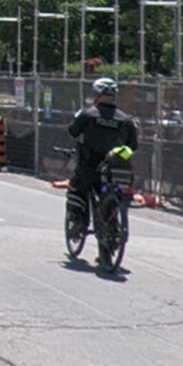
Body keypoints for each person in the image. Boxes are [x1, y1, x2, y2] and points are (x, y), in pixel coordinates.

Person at [66, 78, 139, 249]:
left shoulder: (88, 114)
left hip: (90, 165)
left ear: (96, 95)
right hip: (115, 168)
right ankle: (112, 230)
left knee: (76, 189)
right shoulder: (126, 120)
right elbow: (133, 145)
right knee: (111, 195)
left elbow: (73, 131)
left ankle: (79, 222)